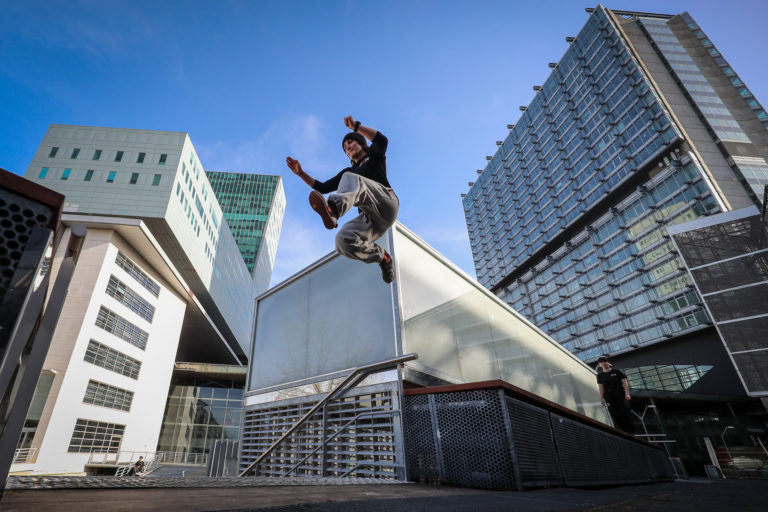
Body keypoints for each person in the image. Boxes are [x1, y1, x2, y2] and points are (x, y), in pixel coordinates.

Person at [286, 116, 399, 283]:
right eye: (345, 148)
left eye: (351, 143)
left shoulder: (373, 156)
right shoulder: (348, 171)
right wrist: (301, 173)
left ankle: (334, 210)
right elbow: (322, 187)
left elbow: (382, 140)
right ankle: (384, 259)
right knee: (342, 240)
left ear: (361, 144)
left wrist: (356, 128)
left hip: (386, 203)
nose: (348, 147)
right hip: (372, 221)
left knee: (351, 178)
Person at [596, 356, 634, 433]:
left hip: (619, 394)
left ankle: (630, 431)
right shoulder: (600, 376)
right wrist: (602, 398)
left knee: (624, 411)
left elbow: (625, 383)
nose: (603, 363)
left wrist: (627, 394)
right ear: (600, 364)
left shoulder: (617, 372)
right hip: (609, 396)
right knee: (614, 413)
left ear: (608, 362)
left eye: (604, 361)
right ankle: (620, 431)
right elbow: (601, 388)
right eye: (601, 362)